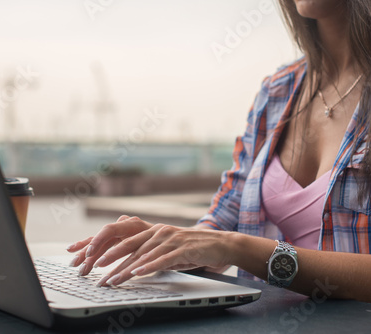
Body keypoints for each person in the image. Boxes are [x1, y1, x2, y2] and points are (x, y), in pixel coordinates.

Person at [67, 0, 371, 302]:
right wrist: (168, 243)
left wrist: (239, 248)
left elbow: (231, 241)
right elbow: (227, 215)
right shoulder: (279, 89)